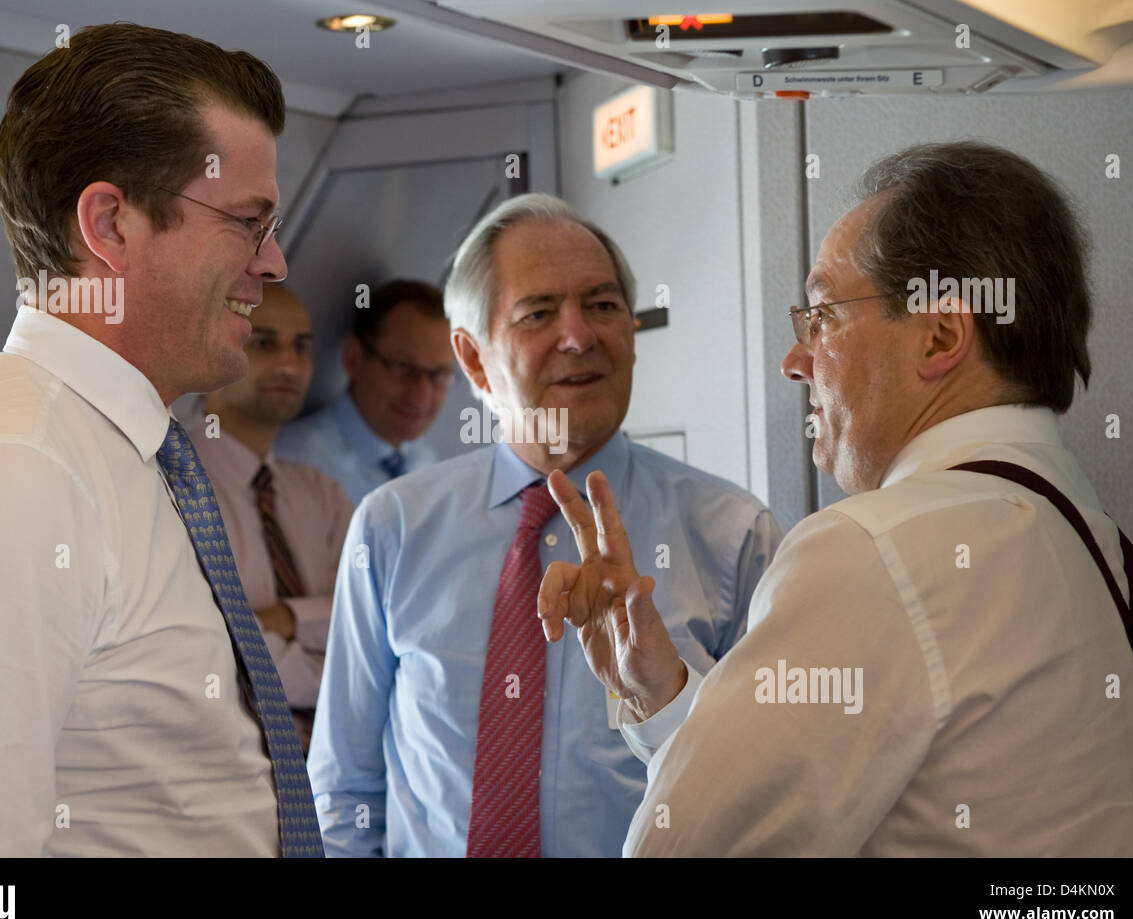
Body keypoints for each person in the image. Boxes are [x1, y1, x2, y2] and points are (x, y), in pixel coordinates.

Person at [539, 141, 1133, 857]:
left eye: (823, 316)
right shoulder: (1117, 559)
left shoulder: (875, 550)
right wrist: (662, 697)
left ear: (941, 334)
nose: (795, 361)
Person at [0, 23, 324, 857]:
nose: (276, 262)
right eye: (249, 223)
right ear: (110, 224)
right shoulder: (7, 474)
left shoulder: (131, 454)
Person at [306, 194, 780, 857]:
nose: (580, 337)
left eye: (604, 306)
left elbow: (771, 795)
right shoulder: (393, 527)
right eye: (538, 313)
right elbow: (345, 788)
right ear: (473, 361)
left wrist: (663, 691)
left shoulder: (732, 536)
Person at [188, 285, 354, 752]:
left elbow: (373, 625)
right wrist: (340, 679)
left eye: (301, 346)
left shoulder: (321, 494)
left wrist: (285, 618)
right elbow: (214, 654)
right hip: (219, 769)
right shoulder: (172, 483)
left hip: (331, 774)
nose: (289, 365)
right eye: (264, 344)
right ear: (213, 346)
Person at [275, 279, 453, 504]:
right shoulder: (290, 465)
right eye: (402, 367)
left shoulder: (425, 463)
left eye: (439, 375)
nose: (421, 397)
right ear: (354, 358)